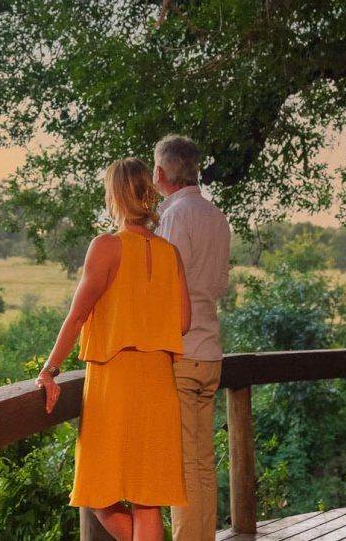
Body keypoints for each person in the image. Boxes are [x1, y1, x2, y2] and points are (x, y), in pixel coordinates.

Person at [39, 158, 192, 541]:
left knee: (96, 491)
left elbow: (77, 317)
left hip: (114, 383)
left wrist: (50, 370)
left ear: (114, 197)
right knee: (147, 500)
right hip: (159, 384)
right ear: (148, 194)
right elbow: (184, 323)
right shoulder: (169, 252)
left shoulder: (105, 246)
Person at [153, 135, 231, 541]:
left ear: (161, 173)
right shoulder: (216, 216)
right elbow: (218, 285)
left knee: (184, 467)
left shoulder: (175, 217)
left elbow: (165, 286)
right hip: (211, 352)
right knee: (202, 464)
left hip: (182, 353)